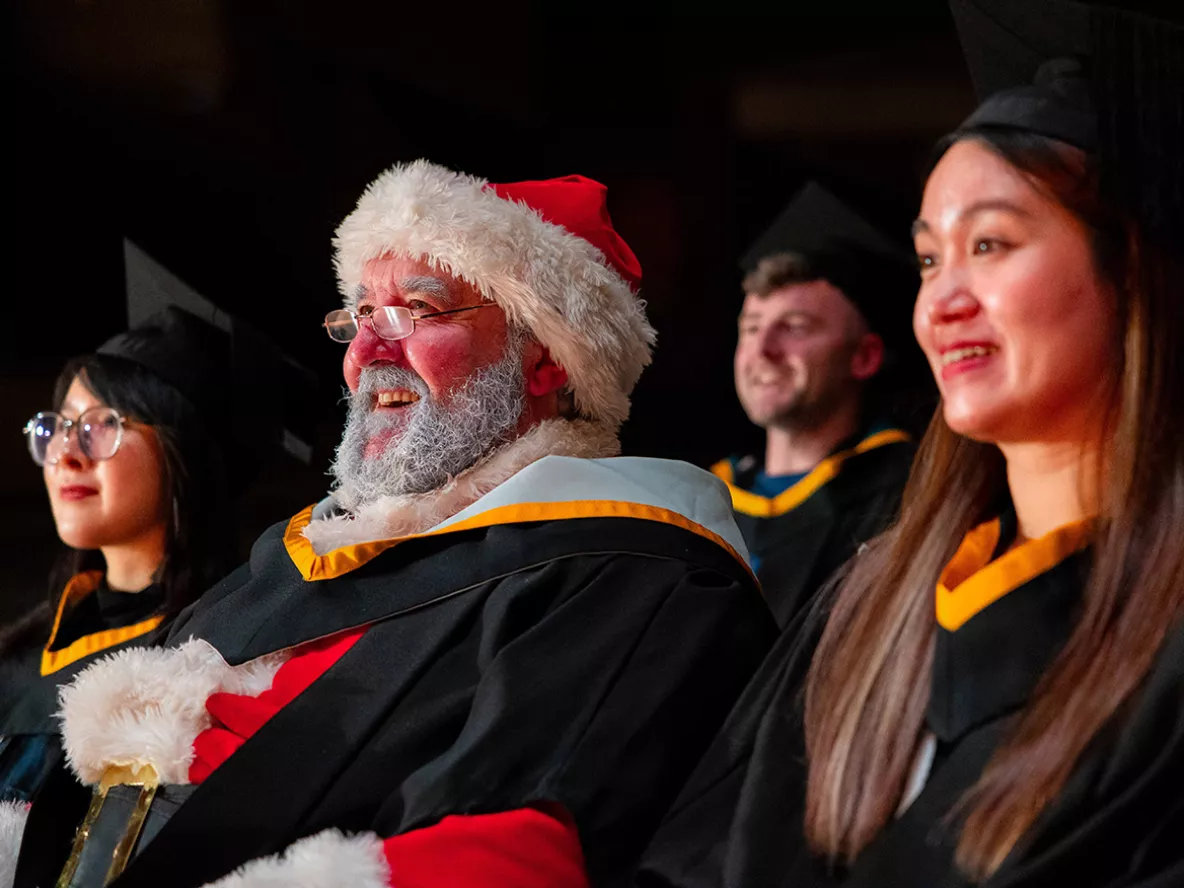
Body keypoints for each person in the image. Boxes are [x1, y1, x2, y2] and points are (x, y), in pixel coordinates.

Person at [11, 164, 775, 888]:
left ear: (546, 360)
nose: (369, 353)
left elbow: (522, 847)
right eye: (361, 316)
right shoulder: (289, 561)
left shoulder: (629, 580)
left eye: (421, 311)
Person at [636, 1, 1184, 886]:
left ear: (1136, 269)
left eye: (991, 244)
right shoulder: (873, 600)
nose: (944, 301)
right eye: (931, 259)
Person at [0, 239, 314, 810]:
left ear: (183, 454)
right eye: (58, 428)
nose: (67, 454)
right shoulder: (14, 655)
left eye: (101, 425)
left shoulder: (226, 654)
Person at [711, 182, 922, 626]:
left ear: (864, 356)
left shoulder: (908, 500)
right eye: (750, 328)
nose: (763, 349)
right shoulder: (703, 501)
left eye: (795, 326)